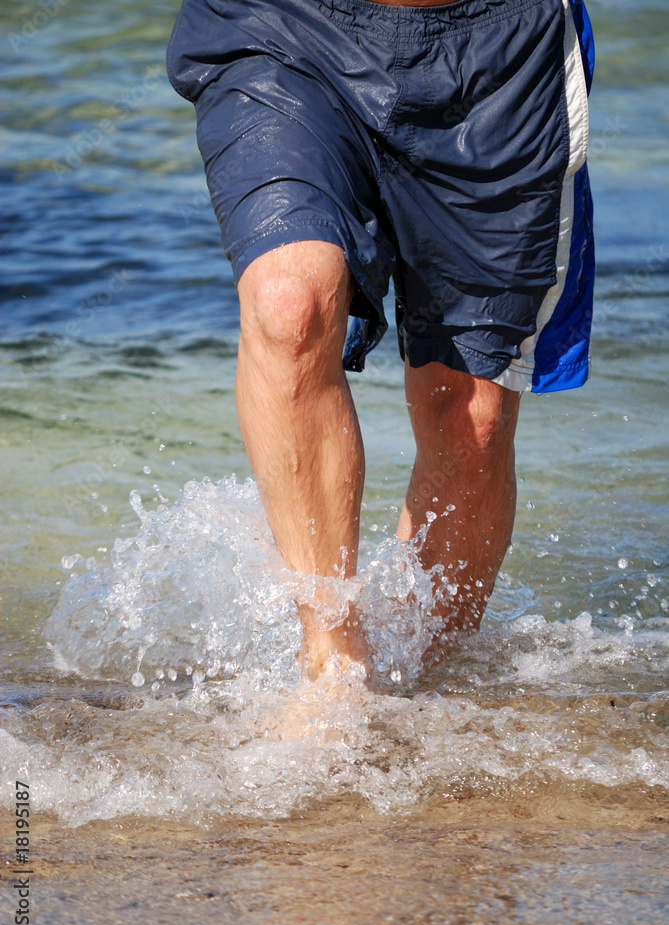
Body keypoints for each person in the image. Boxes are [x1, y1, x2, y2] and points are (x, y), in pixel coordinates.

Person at [167, 0, 595, 681]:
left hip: (500, 47)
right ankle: (333, 668)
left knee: (472, 420)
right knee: (290, 306)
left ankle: (430, 681)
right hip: (283, 26)